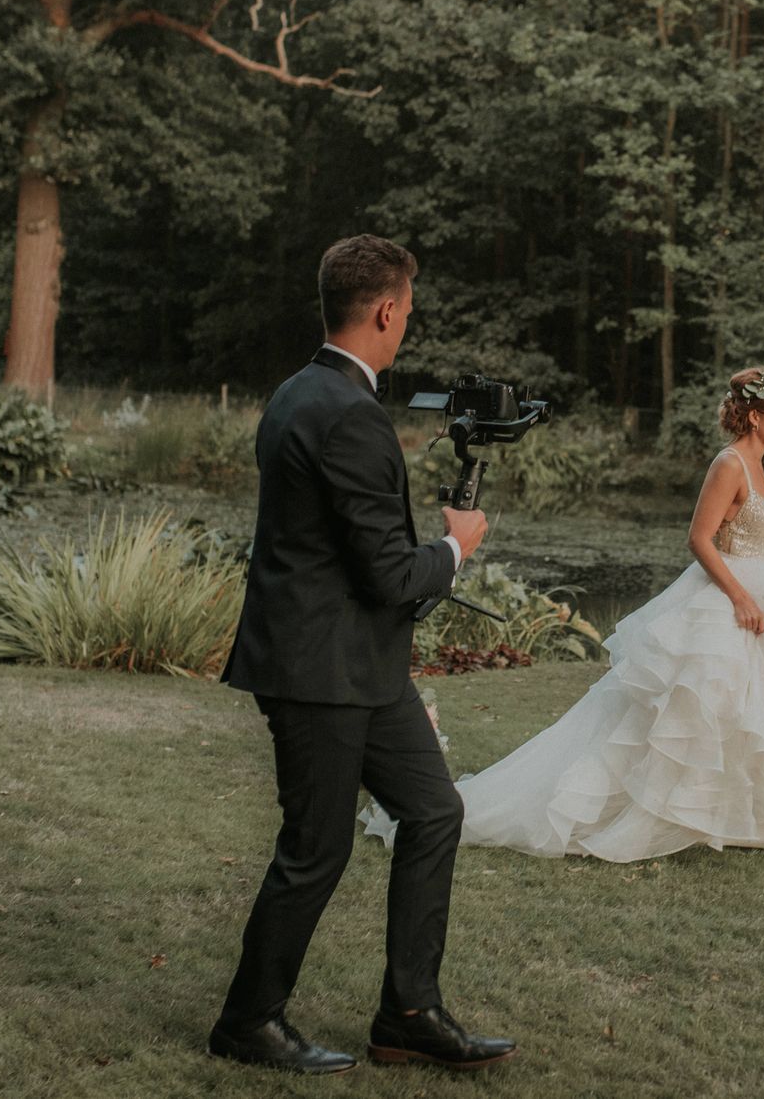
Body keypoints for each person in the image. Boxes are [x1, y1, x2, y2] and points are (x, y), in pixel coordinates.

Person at [208, 234, 517, 1075]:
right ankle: (247, 1022)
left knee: (434, 811)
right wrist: (456, 546)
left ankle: (409, 1014)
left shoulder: (297, 392)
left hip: (358, 665)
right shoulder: (350, 414)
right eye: (407, 310)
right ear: (385, 311)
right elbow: (387, 574)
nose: (406, 323)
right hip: (319, 670)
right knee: (316, 849)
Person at [364, 365, 764, 861]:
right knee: (679, 721)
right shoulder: (729, 464)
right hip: (727, 602)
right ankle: (622, 813)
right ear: (756, 416)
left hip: (760, 596)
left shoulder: (759, 464)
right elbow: (699, 538)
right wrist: (740, 597)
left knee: (760, 717)